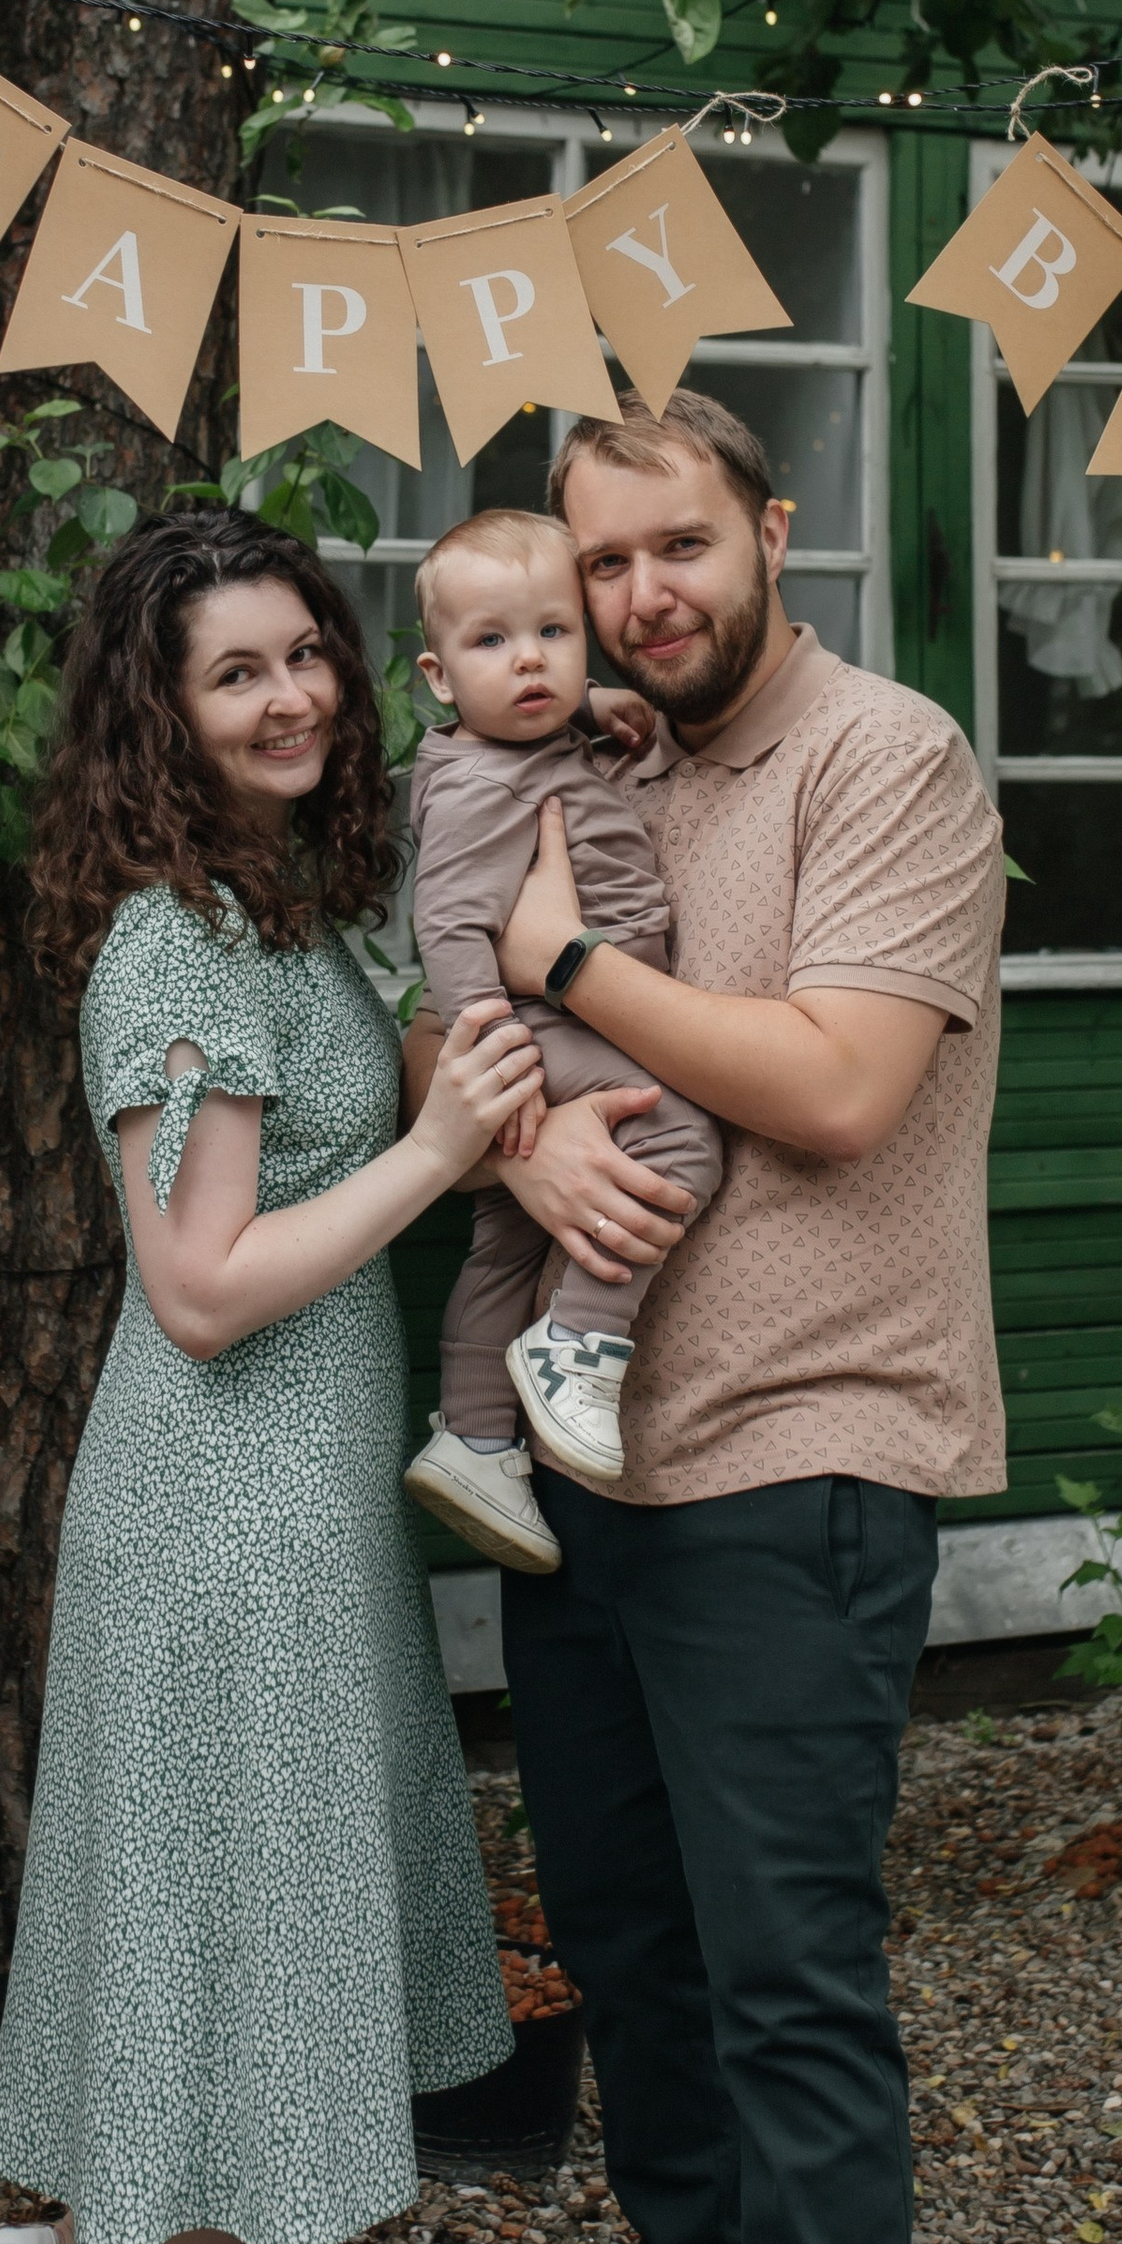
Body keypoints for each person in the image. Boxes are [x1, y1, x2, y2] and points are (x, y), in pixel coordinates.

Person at [412, 390, 1006, 2244]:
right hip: (589, 1444)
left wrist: (573, 957)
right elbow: (459, 984)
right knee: (624, 1930)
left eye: (677, 545)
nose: (638, 592)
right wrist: (526, 1098)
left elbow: (839, 1082)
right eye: (600, 560)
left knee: (783, 1983)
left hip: (806, 1434)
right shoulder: (580, 735)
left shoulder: (886, 757)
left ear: (767, 525)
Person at [0, 508, 542, 2244]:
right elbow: (192, 1282)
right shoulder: (176, 944)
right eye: (233, 673)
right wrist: (443, 1151)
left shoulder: (290, 912)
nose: (288, 697)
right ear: (155, 716)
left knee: (210, 1931)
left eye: (304, 656)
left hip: (290, 1515)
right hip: (214, 1523)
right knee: (199, 1962)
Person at [401, 506, 723, 1574]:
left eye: (553, 633)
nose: (528, 661)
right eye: (491, 643)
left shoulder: (532, 739)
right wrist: (491, 1052)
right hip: (539, 1023)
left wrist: (595, 705)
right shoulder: (480, 782)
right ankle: (581, 1341)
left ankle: (477, 1438)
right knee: (675, 1136)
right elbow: (447, 923)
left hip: (558, 1014)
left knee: (510, 1235)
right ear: (439, 677)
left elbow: (554, 706)